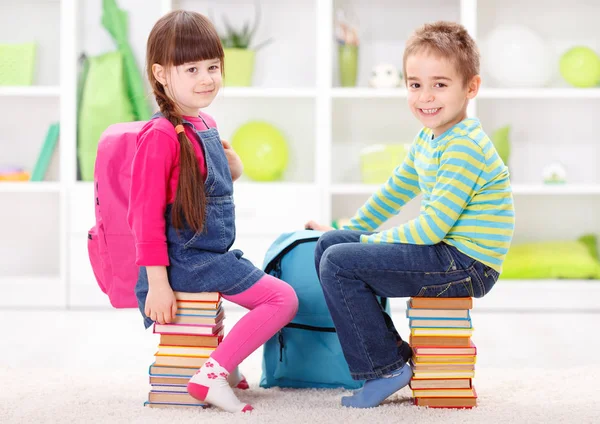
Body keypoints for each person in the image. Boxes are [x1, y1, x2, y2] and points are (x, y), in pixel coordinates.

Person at [306, 21, 514, 408]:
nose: (425, 97)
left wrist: (366, 243)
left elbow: (433, 226)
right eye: (415, 84)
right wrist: (348, 232)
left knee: (339, 263)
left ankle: (384, 367)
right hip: (446, 252)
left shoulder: (464, 146)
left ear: (471, 88)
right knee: (330, 246)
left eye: (440, 84)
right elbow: (392, 193)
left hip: (467, 262)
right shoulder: (429, 138)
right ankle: (384, 355)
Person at [129, 10, 298, 413]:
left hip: (210, 255)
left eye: (213, 66)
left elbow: (202, 191)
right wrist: (157, 283)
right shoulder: (159, 136)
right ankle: (212, 374)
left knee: (261, 290)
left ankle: (228, 361)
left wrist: (233, 168)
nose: (206, 78)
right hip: (185, 260)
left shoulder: (203, 122)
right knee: (282, 300)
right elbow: (145, 216)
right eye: (191, 69)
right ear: (161, 73)